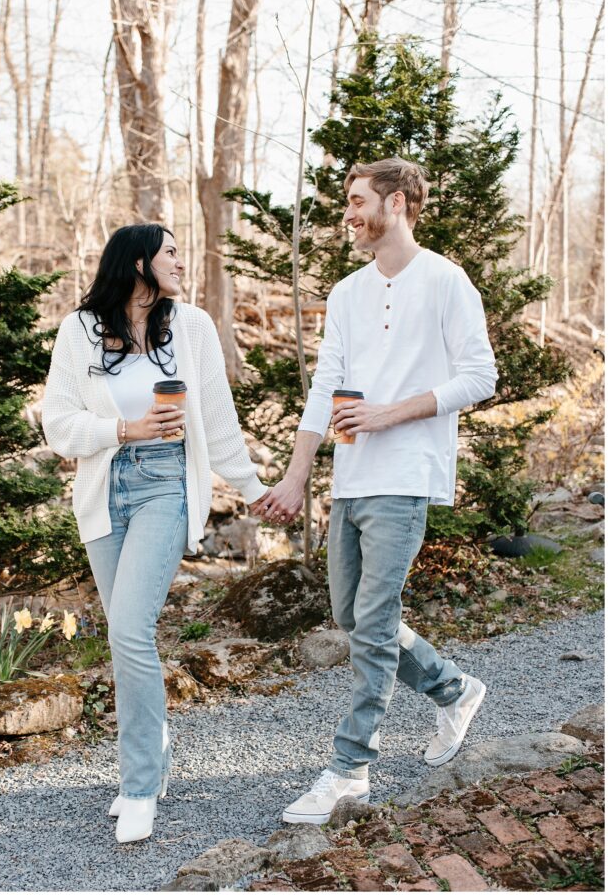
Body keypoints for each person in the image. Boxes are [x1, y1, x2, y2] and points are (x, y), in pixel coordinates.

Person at [250, 157, 498, 825]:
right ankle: (453, 688)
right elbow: (324, 387)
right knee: (353, 617)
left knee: (375, 619)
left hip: (407, 472)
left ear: (397, 201)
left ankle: (348, 769)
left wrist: (389, 413)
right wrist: (298, 473)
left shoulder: (446, 281)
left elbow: (479, 377)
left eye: (356, 201)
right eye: (345, 204)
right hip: (352, 476)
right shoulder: (347, 293)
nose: (348, 216)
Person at [42, 224, 270, 844]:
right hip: (105, 490)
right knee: (125, 639)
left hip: (165, 488)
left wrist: (254, 490)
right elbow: (57, 424)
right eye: (169, 251)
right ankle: (156, 754)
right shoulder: (79, 329)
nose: (179, 260)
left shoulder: (192, 327)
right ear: (138, 261)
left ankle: (139, 784)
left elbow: (218, 422)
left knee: (129, 627)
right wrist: (124, 430)